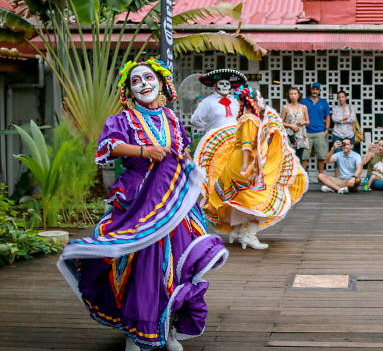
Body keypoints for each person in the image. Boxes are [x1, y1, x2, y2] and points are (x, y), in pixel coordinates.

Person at [59, 59, 229, 351]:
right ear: (129, 91)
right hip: (137, 199)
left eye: (149, 78)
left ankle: (170, 327)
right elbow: (108, 146)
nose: (144, 84)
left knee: (176, 265)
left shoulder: (171, 119)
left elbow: (182, 149)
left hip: (173, 200)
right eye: (136, 81)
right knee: (137, 265)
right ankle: (135, 330)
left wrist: (189, 167)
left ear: (162, 84)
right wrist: (144, 151)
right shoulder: (123, 120)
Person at [198, 85, 307, 250]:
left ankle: (237, 231)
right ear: (253, 100)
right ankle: (249, 236)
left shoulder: (249, 118)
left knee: (244, 199)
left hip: (243, 162)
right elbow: (247, 146)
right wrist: (245, 165)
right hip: (245, 162)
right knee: (259, 199)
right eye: (260, 97)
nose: (262, 101)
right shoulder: (250, 119)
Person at [190, 68, 246, 133]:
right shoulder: (207, 101)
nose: (225, 86)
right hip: (216, 139)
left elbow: (243, 116)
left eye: (227, 84)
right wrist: (207, 128)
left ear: (230, 86)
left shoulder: (236, 100)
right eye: (222, 84)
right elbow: (194, 120)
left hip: (235, 138)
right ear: (215, 85)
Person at [300, 82, 331, 175]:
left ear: (319, 91)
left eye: (317, 89)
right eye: (313, 89)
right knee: (304, 156)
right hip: (307, 132)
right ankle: (303, 177)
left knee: (321, 156)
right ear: (310, 90)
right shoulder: (304, 102)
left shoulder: (323, 102)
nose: (315, 91)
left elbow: (328, 117)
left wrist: (326, 130)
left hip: (320, 132)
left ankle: (321, 176)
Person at [281, 87, 310, 168]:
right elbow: (280, 122)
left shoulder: (304, 107)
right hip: (290, 135)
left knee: (299, 157)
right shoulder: (285, 108)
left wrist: (303, 122)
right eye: (291, 94)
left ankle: (299, 176)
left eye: (295, 94)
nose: (293, 96)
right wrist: (290, 125)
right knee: (290, 156)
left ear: (298, 95)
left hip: (300, 135)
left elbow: (308, 122)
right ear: (288, 96)